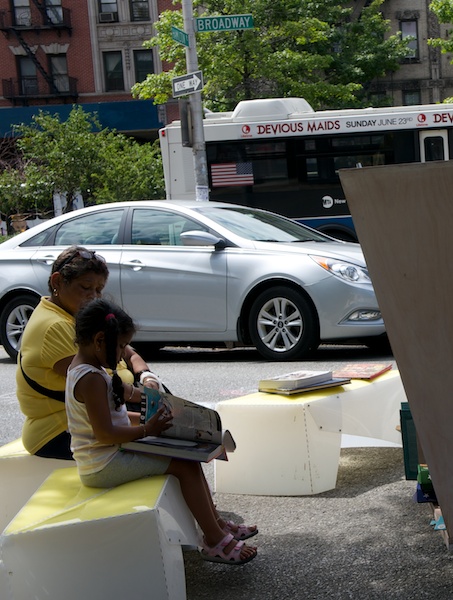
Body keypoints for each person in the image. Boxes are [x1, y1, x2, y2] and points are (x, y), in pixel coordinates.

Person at [66, 298, 258, 565]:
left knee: (189, 457)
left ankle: (216, 525)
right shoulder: (91, 379)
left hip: (109, 454)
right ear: (100, 340)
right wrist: (147, 428)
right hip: (103, 464)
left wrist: (153, 421)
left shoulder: (87, 370)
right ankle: (214, 540)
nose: (123, 354)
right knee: (184, 465)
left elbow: (114, 417)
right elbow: (105, 434)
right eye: (121, 346)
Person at [16, 245, 161, 460]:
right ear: (57, 282)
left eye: (99, 290)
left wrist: (146, 376)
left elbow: (129, 352)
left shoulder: (75, 315)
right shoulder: (55, 326)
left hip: (105, 411)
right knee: (171, 446)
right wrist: (151, 398)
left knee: (173, 427)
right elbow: (102, 389)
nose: (93, 296)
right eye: (86, 287)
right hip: (61, 430)